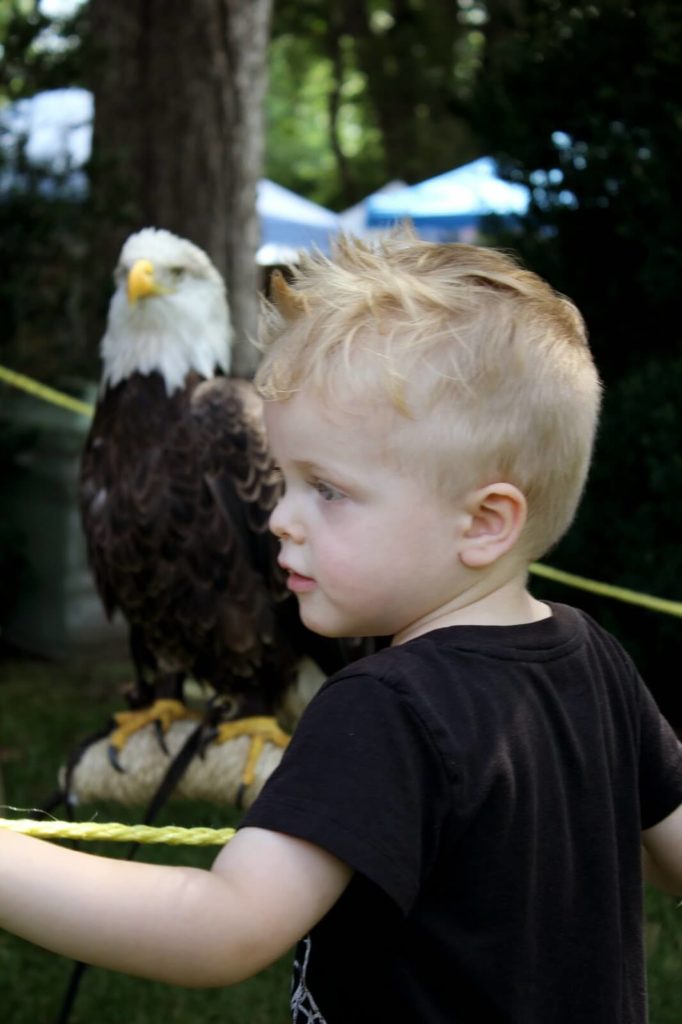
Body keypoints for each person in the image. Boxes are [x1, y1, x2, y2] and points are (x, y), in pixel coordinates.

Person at [1, 234, 681, 1023]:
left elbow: (221, 926)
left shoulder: (387, 708)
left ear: (486, 521)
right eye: (283, 479)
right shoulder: (595, 659)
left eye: (325, 489)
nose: (278, 517)